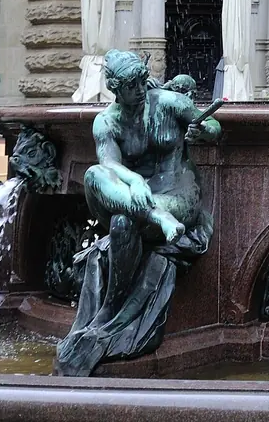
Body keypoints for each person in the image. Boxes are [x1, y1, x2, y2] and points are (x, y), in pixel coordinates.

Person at [56, 49, 221, 375]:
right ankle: (155, 219)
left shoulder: (169, 102)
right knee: (94, 176)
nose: (140, 89)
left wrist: (204, 131)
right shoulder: (106, 122)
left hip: (178, 197)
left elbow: (214, 125)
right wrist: (133, 180)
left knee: (122, 222)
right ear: (115, 88)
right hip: (139, 200)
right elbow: (109, 165)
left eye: (142, 81)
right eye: (131, 85)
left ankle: (109, 310)